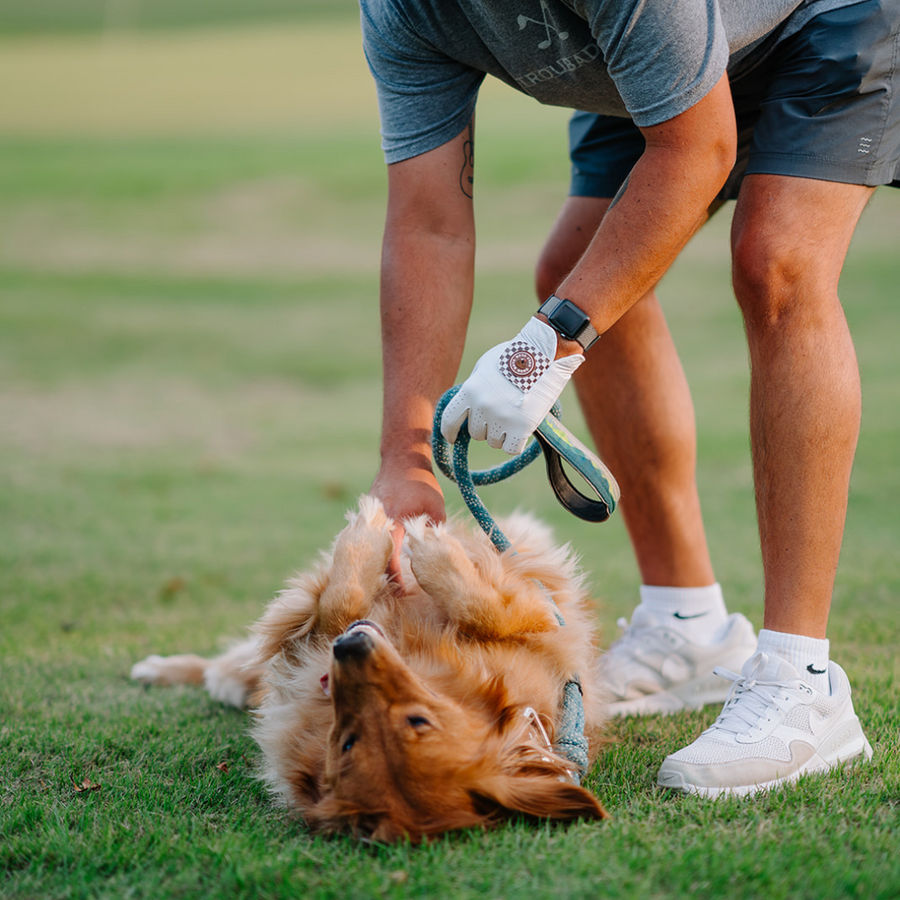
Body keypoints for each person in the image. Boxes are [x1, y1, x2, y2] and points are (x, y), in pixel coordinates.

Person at [362, 0, 897, 796]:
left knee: (776, 262)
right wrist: (407, 463)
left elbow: (700, 146)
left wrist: (547, 346)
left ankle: (801, 681)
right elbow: (429, 222)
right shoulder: (403, 11)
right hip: (651, 73)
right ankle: (689, 630)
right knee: (577, 268)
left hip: (821, 18)